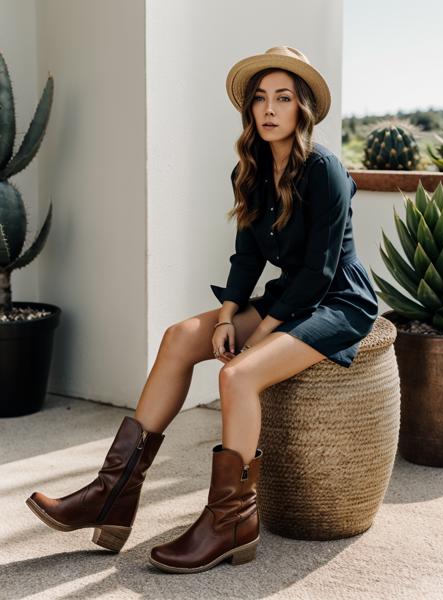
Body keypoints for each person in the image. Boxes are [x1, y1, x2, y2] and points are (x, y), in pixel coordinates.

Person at [25, 46, 379, 574]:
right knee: (177, 337)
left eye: (283, 98)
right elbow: (247, 256)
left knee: (237, 376)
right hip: (291, 294)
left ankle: (230, 521)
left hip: (339, 300)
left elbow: (319, 273)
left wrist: (262, 332)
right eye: (260, 98)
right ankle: (112, 491)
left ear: (302, 108)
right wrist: (224, 317)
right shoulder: (252, 168)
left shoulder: (323, 167)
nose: (269, 109)